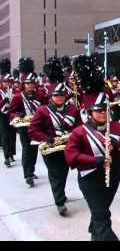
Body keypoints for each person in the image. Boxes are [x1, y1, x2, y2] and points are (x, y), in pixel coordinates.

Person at [64, 56, 120, 241]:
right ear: (89, 113)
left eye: (105, 110)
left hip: (113, 178)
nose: (103, 113)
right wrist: (94, 160)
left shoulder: (116, 127)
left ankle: (94, 234)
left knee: (101, 212)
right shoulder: (80, 132)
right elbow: (71, 156)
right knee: (103, 218)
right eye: (98, 111)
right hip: (90, 180)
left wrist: (117, 142)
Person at [29, 69, 81, 216]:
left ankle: (61, 195)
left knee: (63, 172)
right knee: (55, 173)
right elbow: (33, 130)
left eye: (62, 95)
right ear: (51, 96)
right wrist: (45, 137)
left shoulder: (72, 109)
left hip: (67, 146)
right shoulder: (42, 110)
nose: (59, 98)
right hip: (51, 147)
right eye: (56, 95)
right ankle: (59, 202)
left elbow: (78, 126)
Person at [8, 57, 48, 187]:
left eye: (32, 83)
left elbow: (46, 108)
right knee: (26, 149)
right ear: (23, 84)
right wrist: (17, 114)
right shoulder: (18, 97)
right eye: (27, 83)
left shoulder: (41, 95)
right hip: (24, 127)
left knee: (34, 149)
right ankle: (28, 174)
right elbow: (11, 113)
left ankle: (32, 169)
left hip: (37, 126)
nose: (30, 85)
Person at [0, 59, 16, 167]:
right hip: (2, 115)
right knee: (5, 135)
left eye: (9, 82)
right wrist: (4, 100)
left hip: (12, 114)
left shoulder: (14, 90)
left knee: (12, 135)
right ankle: (6, 157)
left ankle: (11, 154)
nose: (7, 84)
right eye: (5, 82)